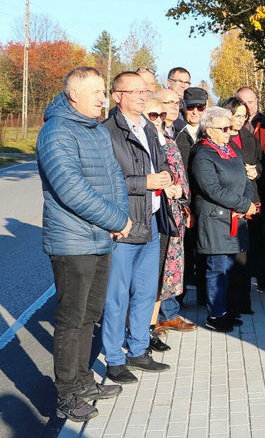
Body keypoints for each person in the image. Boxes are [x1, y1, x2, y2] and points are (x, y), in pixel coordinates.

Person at [37, 67, 132, 422]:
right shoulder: (55, 131)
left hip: (101, 238)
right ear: (74, 95)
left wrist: (120, 216)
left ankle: (83, 381)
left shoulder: (96, 131)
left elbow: (116, 178)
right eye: (95, 92)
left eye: (104, 92)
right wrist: (117, 220)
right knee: (71, 320)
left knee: (90, 316)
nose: (103, 99)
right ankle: (66, 395)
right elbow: (71, 189)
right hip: (72, 242)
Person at [102, 72, 176, 384]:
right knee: (117, 296)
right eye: (134, 92)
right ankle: (115, 360)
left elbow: (162, 164)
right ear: (117, 96)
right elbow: (104, 181)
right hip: (124, 225)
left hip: (152, 221)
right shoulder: (106, 131)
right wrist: (143, 183)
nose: (143, 97)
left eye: (145, 91)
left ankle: (138, 350)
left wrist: (167, 176)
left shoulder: (148, 126)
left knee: (145, 293)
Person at [189, 107, 257, 332]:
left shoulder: (230, 148)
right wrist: (242, 204)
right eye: (224, 128)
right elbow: (212, 189)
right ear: (209, 130)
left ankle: (226, 309)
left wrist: (246, 202)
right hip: (216, 219)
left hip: (235, 217)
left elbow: (245, 179)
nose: (229, 131)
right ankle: (215, 315)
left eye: (230, 127)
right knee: (217, 268)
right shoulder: (202, 153)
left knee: (230, 268)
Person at [142, 97, 196, 355]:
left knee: (163, 274)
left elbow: (182, 181)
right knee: (146, 277)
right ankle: (139, 331)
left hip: (170, 216)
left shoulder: (169, 144)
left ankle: (151, 327)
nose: (158, 119)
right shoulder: (142, 143)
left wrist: (180, 196)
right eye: (153, 114)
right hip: (146, 215)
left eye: (161, 115)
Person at [222, 96, 265, 317]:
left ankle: (244, 302)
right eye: (236, 115)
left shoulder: (248, 137)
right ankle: (230, 304)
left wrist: (255, 170)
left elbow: (260, 161)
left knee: (246, 255)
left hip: (250, 200)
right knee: (232, 256)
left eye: (243, 116)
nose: (239, 120)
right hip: (229, 203)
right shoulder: (219, 137)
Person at [236, 86, 265, 293]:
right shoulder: (229, 126)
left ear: (257, 102)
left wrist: (259, 171)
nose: (247, 106)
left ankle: (263, 276)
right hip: (237, 189)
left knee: (262, 235)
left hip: (262, 187)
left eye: (250, 102)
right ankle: (241, 278)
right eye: (242, 102)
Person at [175, 86, 208, 304]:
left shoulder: (213, 132)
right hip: (186, 204)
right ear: (183, 108)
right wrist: (184, 205)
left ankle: (206, 299)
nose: (195, 112)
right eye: (191, 107)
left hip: (207, 203)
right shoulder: (177, 134)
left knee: (206, 251)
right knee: (184, 252)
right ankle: (180, 299)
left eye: (200, 107)